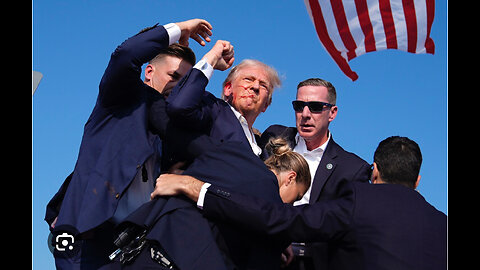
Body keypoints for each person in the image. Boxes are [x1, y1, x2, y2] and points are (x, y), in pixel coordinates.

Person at [44, 18, 214, 269]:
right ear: (149, 72)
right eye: (173, 76)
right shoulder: (120, 98)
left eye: (184, 82)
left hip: (129, 243)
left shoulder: (171, 127)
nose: (177, 87)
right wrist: (180, 29)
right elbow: (125, 55)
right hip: (87, 236)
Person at [154, 136, 447, 270]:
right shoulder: (442, 225)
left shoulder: (361, 199)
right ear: (418, 180)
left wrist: (199, 189)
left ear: (374, 171)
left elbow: (279, 218)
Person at [113, 136, 311, 269]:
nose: (289, 205)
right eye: (296, 197)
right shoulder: (271, 203)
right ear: (291, 178)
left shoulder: (233, 152)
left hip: (142, 247)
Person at [258, 78, 371, 269]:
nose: (305, 114)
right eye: (299, 106)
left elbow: (346, 229)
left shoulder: (352, 169)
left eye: (316, 107)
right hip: (259, 249)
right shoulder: (274, 137)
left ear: (332, 113)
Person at [166, 45, 282, 157]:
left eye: (263, 86)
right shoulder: (213, 109)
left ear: (266, 105)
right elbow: (180, 106)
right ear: (228, 89)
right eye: (248, 79)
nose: (255, 87)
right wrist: (212, 58)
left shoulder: (263, 149)